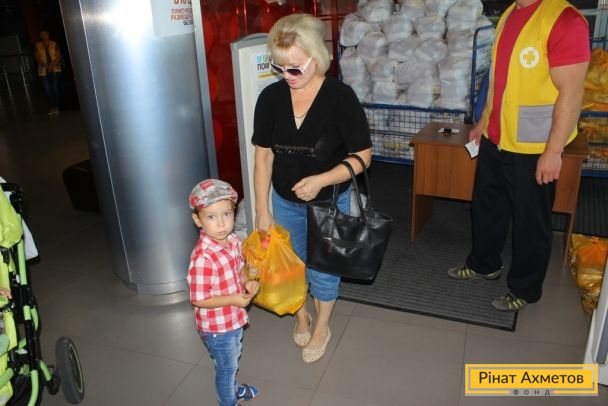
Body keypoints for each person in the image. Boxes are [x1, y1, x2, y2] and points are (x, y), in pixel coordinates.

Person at [447, 0, 590, 311]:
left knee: (530, 222)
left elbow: (572, 92)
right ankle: (485, 264)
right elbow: (499, 79)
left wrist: (553, 151)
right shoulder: (511, 13)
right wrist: (483, 122)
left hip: (534, 147)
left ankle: (525, 288)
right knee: (486, 208)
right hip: (496, 138)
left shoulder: (565, 20)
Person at [252, 13, 372, 363]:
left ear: (316, 58)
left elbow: (363, 157)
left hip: (329, 202)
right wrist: (262, 210)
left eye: (294, 68)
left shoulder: (340, 98)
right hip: (284, 201)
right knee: (291, 267)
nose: (286, 76)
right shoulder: (271, 98)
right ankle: (301, 316)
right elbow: (263, 158)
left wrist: (321, 179)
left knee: (323, 268)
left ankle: (321, 327)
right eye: (279, 68)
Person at [187, 179, 260, 406]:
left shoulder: (234, 241)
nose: (221, 223)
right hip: (216, 327)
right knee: (227, 368)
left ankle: (233, 389)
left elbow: (239, 269)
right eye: (211, 217)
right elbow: (199, 299)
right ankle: (228, 402)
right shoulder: (203, 258)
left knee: (232, 359)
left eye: (226, 214)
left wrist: (247, 282)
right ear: (198, 220)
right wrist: (235, 300)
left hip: (233, 318)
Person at [34, 30, 62, 116]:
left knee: (55, 88)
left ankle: (56, 106)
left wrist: (52, 65)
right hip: (43, 69)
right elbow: (37, 58)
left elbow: (58, 56)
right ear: (40, 36)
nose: (44, 35)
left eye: (45, 34)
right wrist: (46, 66)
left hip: (55, 68)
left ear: (48, 35)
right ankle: (51, 107)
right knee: (47, 89)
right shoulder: (37, 45)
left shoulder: (54, 44)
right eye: (42, 34)